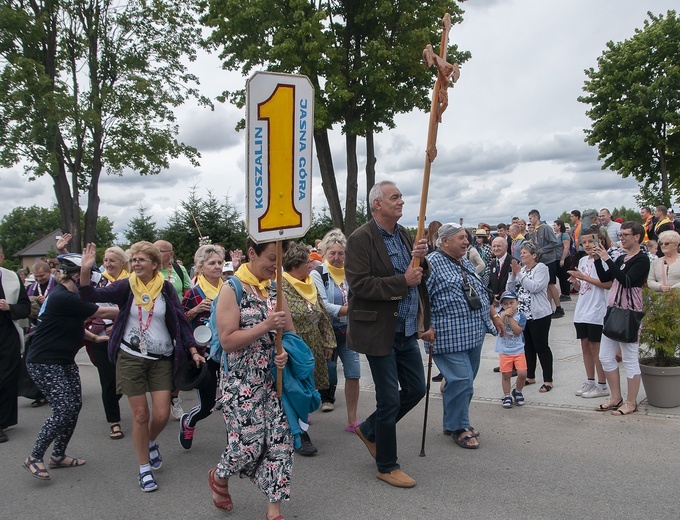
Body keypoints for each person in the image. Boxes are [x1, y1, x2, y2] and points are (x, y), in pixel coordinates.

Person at [79, 241, 204, 492]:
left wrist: (192, 349)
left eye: (141, 260)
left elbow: (179, 322)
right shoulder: (126, 286)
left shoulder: (166, 289)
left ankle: (149, 442)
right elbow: (90, 296)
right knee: (140, 415)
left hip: (161, 358)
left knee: (160, 414)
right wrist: (85, 271)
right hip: (131, 357)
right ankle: (144, 468)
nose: (135, 263)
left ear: (155, 264)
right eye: (133, 260)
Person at [345, 181, 429, 489]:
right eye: (395, 197)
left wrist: (422, 257)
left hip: (406, 328)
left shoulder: (406, 234)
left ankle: (369, 429)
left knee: (417, 389)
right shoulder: (360, 238)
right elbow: (360, 285)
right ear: (377, 204)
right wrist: (402, 280)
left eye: (401, 197)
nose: (402, 202)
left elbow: (417, 277)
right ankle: (386, 465)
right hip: (378, 331)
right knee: (389, 399)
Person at [210, 238, 293, 520]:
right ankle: (220, 476)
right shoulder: (232, 289)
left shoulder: (276, 289)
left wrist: (285, 355)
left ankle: (274, 511)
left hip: (272, 382)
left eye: (280, 260)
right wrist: (266, 325)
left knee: (280, 444)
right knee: (248, 446)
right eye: (271, 258)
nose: (276, 265)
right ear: (251, 254)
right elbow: (228, 341)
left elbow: (290, 336)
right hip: (240, 384)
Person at [22, 254, 117, 479]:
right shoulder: (63, 296)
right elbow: (101, 312)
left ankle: (58, 455)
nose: (91, 285)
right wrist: (135, 309)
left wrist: (95, 339)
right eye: (89, 278)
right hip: (44, 361)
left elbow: (72, 322)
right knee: (64, 407)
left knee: (74, 405)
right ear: (76, 276)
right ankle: (34, 457)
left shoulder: (68, 296)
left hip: (63, 360)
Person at [424, 223, 502, 447]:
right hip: (448, 335)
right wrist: (424, 328)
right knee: (463, 380)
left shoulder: (464, 260)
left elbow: (479, 292)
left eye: (466, 237)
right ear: (444, 241)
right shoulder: (431, 264)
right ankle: (460, 427)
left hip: (473, 334)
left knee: (461, 382)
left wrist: (495, 317)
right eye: (461, 238)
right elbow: (419, 299)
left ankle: (452, 422)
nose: (466, 241)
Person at [281, 242, 334, 456]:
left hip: (312, 347)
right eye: (307, 263)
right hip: (292, 349)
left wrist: (328, 341)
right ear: (295, 264)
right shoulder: (281, 287)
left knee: (306, 390)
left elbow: (322, 313)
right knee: (295, 391)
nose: (311, 267)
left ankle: (293, 429)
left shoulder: (309, 284)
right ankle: (300, 434)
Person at [593, 221, 650, 415]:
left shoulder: (642, 259)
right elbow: (605, 278)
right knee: (605, 357)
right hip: (613, 311)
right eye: (622, 234)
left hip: (629, 312)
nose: (622, 237)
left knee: (630, 358)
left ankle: (631, 402)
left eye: (626, 234)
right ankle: (615, 397)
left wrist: (607, 259)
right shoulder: (622, 258)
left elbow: (627, 281)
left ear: (637, 237)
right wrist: (596, 260)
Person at [310, 229, 361, 432]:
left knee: (354, 373)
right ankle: (304, 412)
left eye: (341, 253)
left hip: (349, 332)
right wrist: (350, 310)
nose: (337, 257)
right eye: (333, 253)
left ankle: (352, 419)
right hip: (326, 332)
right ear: (325, 253)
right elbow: (323, 305)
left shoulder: (351, 271)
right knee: (320, 374)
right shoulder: (318, 274)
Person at [179, 244, 225, 450]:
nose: (217, 267)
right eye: (211, 263)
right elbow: (180, 322)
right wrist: (195, 310)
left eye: (220, 262)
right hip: (204, 355)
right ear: (200, 267)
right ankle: (189, 421)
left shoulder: (230, 289)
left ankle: (235, 444)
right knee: (208, 406)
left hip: (229, 353)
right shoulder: (193, 293)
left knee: (233, 401)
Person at [86, 246, 129, 440]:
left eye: (112, 260)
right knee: (108, 380)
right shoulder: (97, 280)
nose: (108, 264)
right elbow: (83, 293)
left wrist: (119, 323)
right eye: (105, 260)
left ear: (122, 262)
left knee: (125, 380)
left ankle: (112, 399)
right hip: (102, 337)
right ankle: (114, 421)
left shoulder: (132, 281)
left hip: (128, 337)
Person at [567, 228, 612, 399]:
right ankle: (590, 380)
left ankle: (602, 384)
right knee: (585, 345)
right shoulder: (584, 259)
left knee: (596, 347)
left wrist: (584, 278)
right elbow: (583, 288)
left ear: (599, 240)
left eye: (590, 241)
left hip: (597, 310)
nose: (587, 245)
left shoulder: (605, 259)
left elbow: (607, 284)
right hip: (582, 309)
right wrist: (576, 282)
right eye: (584, 242)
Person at [507, 241, 554, 392]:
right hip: (523, 316)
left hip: (539, 315)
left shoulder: (541, 268)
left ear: (534, 255)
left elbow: (535, 287)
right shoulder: (522, 270)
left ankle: (548, 380)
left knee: (541, 347)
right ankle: (530, 376)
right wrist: (513, 274)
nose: (522, 255)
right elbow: (510, 289)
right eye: (521, 252)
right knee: (528, 347)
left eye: (525, 252)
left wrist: (519, 273)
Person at [154, 240, 191, 420]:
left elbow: (187, 292)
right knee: (161, 363)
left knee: (180, 362)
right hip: (155, 323)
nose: (155, 253)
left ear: (170, 253)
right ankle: (160, 398)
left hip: (177, 322)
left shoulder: (178, 269)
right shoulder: (149, 270)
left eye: (160, 250)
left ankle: (174, 398)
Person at [0, 245, 31, 443]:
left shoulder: (11, 278)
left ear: (1, 257)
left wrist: (8, 307)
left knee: (6, 379)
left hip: (6, 335)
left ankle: (2, 422)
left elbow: (25, 308)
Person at [527, 209, 563, 318]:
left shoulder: (546, 228)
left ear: (536, 217)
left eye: (530, 218)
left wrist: (541, 251)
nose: (530, 221)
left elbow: (554, 242)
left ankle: (559, 307)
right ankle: (549, 307)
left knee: (551, 284)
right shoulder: (535, 230)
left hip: (549, 260)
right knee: (546, 285)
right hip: (540, 261)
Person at [494, 291, 527, 408]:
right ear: (502, 305)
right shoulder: (499, 315)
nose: (509, 306)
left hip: (518, 350)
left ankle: (518, 391)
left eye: (511, 303)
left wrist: (511, 318)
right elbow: (499, 329)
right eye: (506, 304)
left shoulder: (521, 316)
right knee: (506, 374)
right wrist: (503, 315)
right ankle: (507, 395)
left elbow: (518, 331)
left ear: (517, 303)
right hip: (505, 351)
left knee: (522, 373)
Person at [553, 219, 572, 301]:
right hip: (556, 258)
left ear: (559, 226)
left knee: (564, 276)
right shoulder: (555, 235)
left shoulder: (564, 235)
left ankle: (566, 293)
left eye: (555, 225)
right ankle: (563, 293)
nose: (553, 227)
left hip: (563, 258)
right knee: (560, 276)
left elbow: (566, 247)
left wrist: (563, 259)